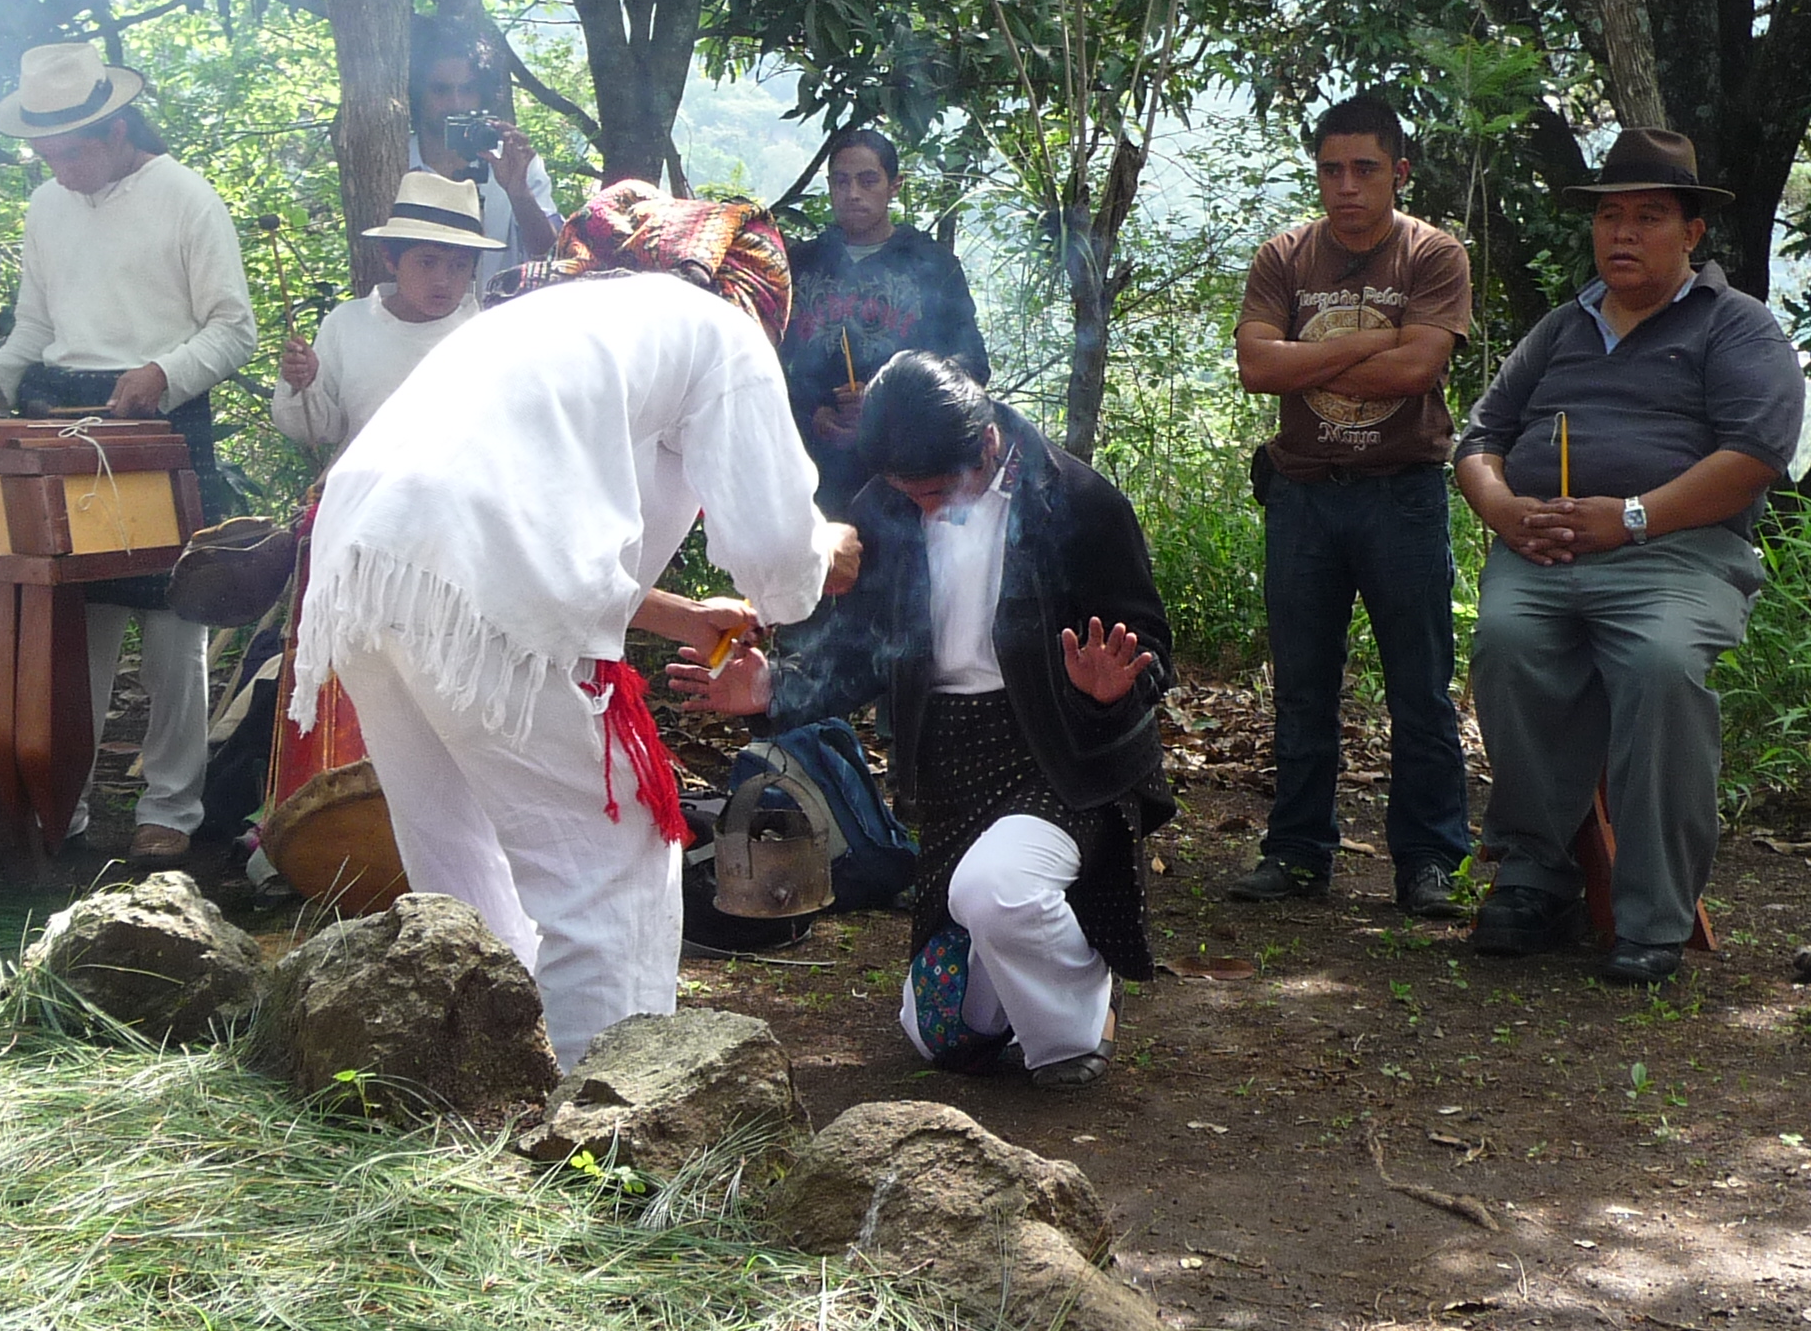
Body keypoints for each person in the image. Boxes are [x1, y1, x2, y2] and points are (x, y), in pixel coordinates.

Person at [288, 194, 858, 1070]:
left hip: (363, 568)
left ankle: (479, 1089)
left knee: (460, 860)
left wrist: (679, 615)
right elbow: (776, 563)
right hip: (468, 578)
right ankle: (607, 1114)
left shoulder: (552, 317)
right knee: (612, 863)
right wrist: (828, 549)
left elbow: (543, 533)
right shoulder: (719, 331)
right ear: (758, 293)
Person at [675, 352, 1174, 1088]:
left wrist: (1108, 690)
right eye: (912, 497)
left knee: (996, 893)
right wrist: (774, 689)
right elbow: (862, 650)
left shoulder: (1077, 500)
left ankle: (1080, 1022)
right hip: (950, 757)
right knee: (941, 1033)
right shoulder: (885, 505)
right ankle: (1042, 961)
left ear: (987, 445)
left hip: (1063, 755)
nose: (928, 512)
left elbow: (1150, 645)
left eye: (939, 493)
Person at [1455, 128, 1803, 986]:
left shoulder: (1738, 326)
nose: (1622, 233)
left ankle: (1653, 914)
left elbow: (1755, 454)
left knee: (1659, 665)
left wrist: (1634, 518)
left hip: (1678, 556)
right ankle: (1536, 876)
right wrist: (1503, 510)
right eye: (1610, 216)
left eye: (1648, 216)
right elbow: (1480, 436)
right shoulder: (1560, 328)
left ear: (1692, 232)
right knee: (1507, 644)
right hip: (1542, 551)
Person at [0, 42, 258, 863]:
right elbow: (35, 329)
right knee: (72, 631)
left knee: (173, 632)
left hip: (160, 422)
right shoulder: (47, 205)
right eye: (44, 155)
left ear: (115, 131)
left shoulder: (186, 197)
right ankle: (62, 801)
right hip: (61, 419)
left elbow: (233, 329)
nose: (56, 171)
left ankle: (171, 809)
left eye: (68, 154)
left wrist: (163, 374)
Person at [1230, 92, 1473, 918]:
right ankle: (1297, 850)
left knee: (1420, 686)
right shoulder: (1285, 258)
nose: (1346, 187)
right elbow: (1257, 369)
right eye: (1331, 170)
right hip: (1303, 492)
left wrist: (1308, 354)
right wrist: (1375, 339)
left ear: (1397, 172)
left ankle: (1429, 859)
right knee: (1302, 685)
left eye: (1364, 169)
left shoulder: (1432, 256)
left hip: (1402, 492)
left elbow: (1418, 371)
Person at [780, 130, 990, 516]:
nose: (853, 194)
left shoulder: (931, 264)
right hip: (809, 473)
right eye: (841, 182)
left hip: (905, 478)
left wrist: (887, 403)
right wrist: (814, 414)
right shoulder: (801, 264)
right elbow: (768, 362)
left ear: (894, 186)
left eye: (868, 180)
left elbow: (972, 364)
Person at [274, 171, 501, 457]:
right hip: (366, 481)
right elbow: (318, 431)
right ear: (390, 259)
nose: (443, 280)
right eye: (427, 262)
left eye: (459, 265)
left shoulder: (487, 335)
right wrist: (303, 384)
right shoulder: (348, 324)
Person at [408, 18, 562, 296]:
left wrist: (520, 194)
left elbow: (553, 257)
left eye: (467, 90)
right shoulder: (396, 161)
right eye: (441, 90)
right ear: (418, 93)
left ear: (483, 94)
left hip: (498, 316)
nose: (456, 103)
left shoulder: (512, 161)